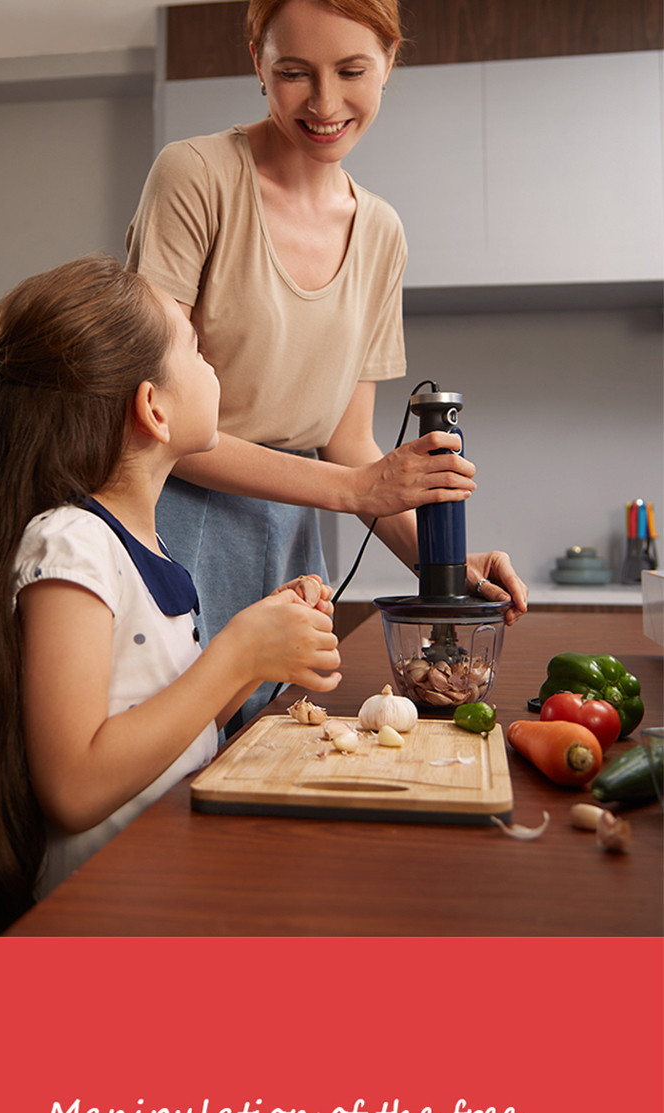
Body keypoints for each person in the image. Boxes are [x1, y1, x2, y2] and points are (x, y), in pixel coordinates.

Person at [125, 0, 528, 731]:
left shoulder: (381, 232)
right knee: (177, 761)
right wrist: (352, 487)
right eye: (293, 73)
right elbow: (163, 418)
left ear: (389, 63)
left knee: (268, 750)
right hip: (169, 521)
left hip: (292, 541)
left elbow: (350, 446)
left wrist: (444, 570)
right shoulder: (195, 177)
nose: (325, 103)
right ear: (257, 62)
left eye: (351, 71)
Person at [0, 254, 341, 937]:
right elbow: (77, 782)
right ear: (153, 408)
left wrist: (259, 649)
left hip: (161, 891)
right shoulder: (72, 543)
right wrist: (233, 656)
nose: (211, 367)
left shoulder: (145, 547)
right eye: (196, 351)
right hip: (102, 919)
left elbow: (161, 719)